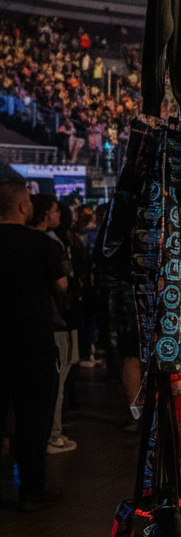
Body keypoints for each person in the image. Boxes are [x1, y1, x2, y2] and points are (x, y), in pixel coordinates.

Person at [0, 180, 68, 511]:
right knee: (34, 418)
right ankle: (31, 488)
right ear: (23, 207)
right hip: (32, 342)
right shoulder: (39, 243)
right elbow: (62, 284)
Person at [30, 195, 79, 454]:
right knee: (57, 379)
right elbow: (62, 282)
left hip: (38, 320)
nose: (59, 215)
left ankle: (44, 435)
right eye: (55, 211)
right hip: (57, 320)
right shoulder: (48, 242)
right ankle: (52, 435)